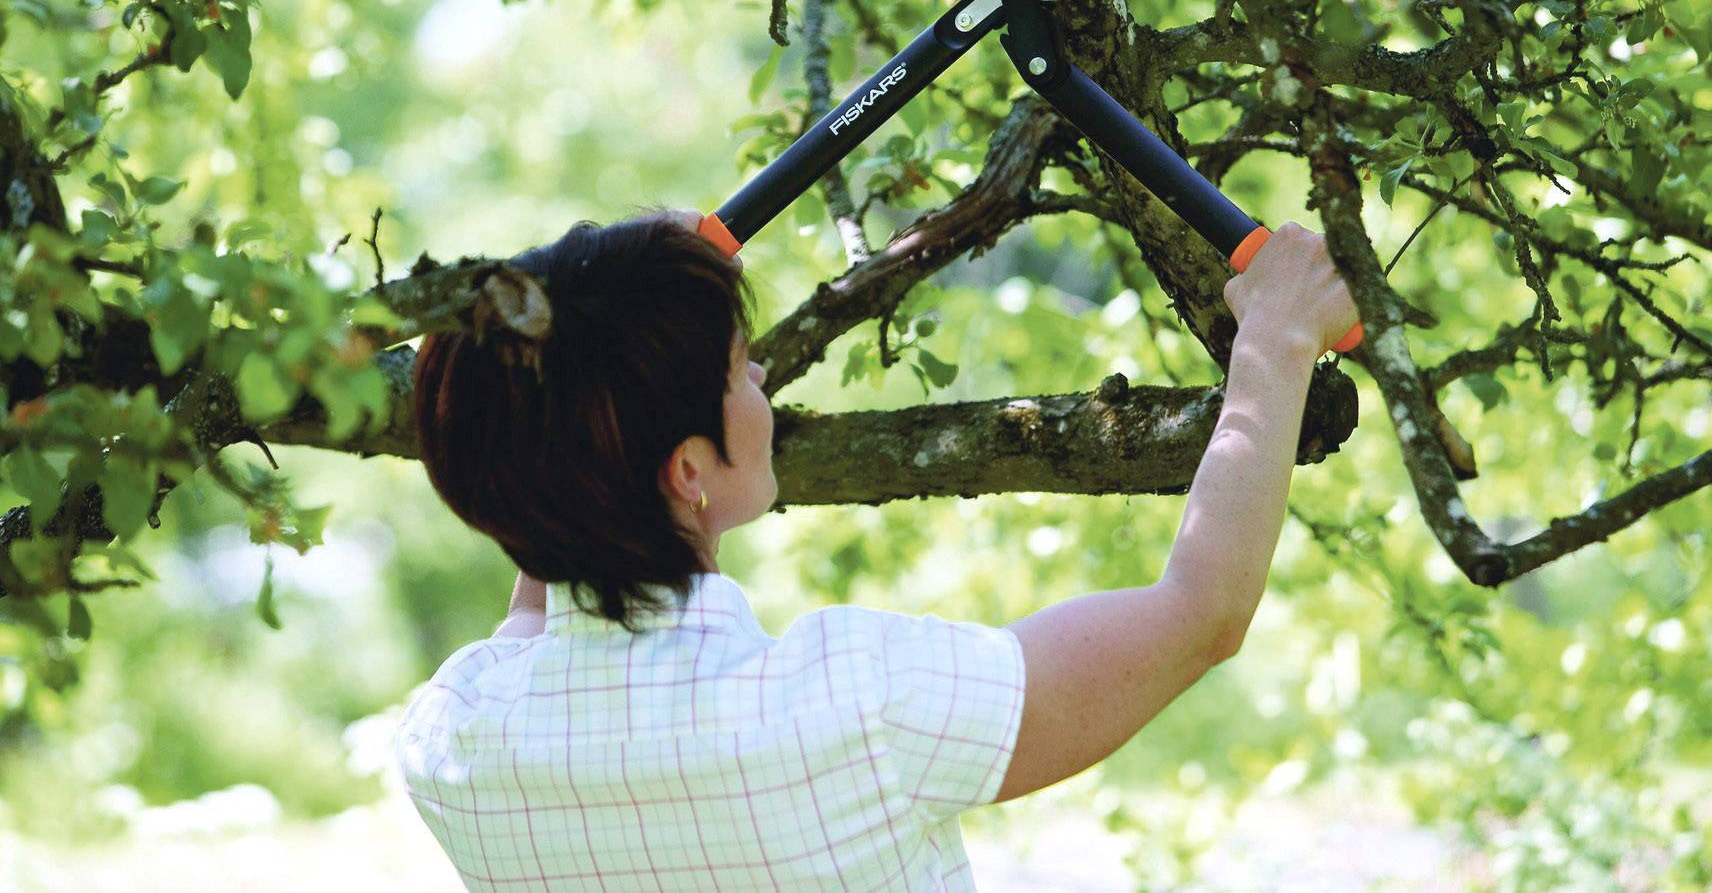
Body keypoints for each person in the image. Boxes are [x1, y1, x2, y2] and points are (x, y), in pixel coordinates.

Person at [393, 208, 1360, 891]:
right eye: (737, 368)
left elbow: (536, 569)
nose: (763, 372)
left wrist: (623, 300)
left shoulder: (455, 738)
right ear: (689, 470)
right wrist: (1274, 338)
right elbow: (1198, 615)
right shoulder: (848, 708)